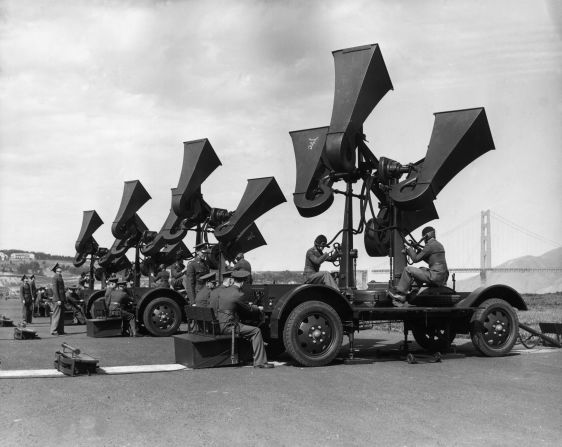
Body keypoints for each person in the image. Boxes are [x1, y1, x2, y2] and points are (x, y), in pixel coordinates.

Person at [210, 270, 274, 369]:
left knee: (247, 327)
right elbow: (248, 310)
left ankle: (248, 355)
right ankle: (260, 362)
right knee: (256, 331)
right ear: (243, 282)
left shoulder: (223, 291)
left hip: (220, 323)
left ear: (233, 280)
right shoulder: (238, 294)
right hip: (229, 327)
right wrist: (259, 308)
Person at [388, 226, 449, 306]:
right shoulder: (438, 245)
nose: (423, 240)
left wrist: (409, 249)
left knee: (408, 269)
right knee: (421, 269)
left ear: (426, 236)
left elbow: (415, 259)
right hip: (442, 276)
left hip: (435, 276)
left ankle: (401, 295)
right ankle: (412, 296)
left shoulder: (430, 245)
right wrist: (417, 249)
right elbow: (429, 260)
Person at [50, 263, 66, 335]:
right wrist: (58, 299)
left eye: (60, 271)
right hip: (58, 299)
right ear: (55, 271)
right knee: (56, 315)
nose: (60, 272)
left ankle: (60, 330)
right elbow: (55, 289)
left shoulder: (60, 277)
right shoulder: (55, 277)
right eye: (58, 271)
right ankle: (53, 331)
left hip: (61, 298)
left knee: (61, 316)